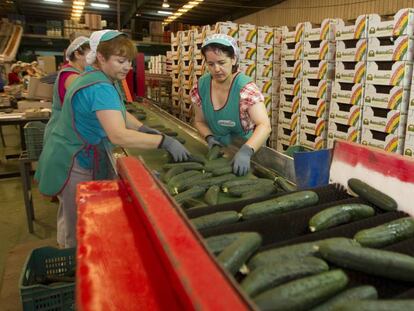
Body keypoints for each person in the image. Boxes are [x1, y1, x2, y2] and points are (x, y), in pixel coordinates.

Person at [35, 30, 190, 248]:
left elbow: (118, 112)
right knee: (78, 226)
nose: (127, 67)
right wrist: (164, 142)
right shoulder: (100, 86)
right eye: (120, 61)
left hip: (69, 152)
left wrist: (142, 127)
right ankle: (75, 270)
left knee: (74, 217)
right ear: (100, 57)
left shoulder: (98, 77)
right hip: (74, 161)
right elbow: (118, 135)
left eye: (129, 61)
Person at [190, 34, 271, 176]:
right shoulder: (201, 86)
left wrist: (246, 151)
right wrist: (209, 137)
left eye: (222, 63)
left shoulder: (245, 89)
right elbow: (199, 121)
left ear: (233, 59)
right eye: (211, 64)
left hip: (248, 153)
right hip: (219, 152)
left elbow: (264, 125)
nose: (216, 69)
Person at [43, 36, 90, 143]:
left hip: (64, 133)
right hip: (62, 136)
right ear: (77, 54)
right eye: (91, 54)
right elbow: (88, 105)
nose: (93, 60)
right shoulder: (71, 76)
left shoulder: (72, 73)